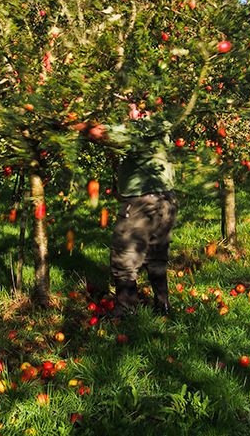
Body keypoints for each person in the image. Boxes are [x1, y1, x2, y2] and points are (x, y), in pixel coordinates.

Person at [74, 103, 179, 316]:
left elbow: (101, 133)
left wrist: (72, 123)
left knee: (125, 256)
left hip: (142, 203)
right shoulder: (163, 125)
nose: (129, 112)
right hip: (166, 201)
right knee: (156, 254)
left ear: (142, 110)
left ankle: (126, 312)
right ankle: (163, 305)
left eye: (132, 107)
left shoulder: (140, 129)